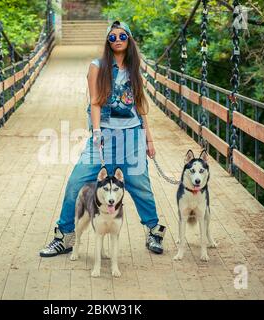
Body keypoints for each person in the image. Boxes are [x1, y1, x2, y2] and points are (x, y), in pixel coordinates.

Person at [39, 20, 166, 257]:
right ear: (107, 42)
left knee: (140, 186)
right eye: (112, 37)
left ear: (129, 39)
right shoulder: (97, 66)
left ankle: (153, 231)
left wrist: (149, 139)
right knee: (77, 182)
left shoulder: (134, 68)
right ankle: (65, 236)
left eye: (122, 36)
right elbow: (95, 102)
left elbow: (140, 105)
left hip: (133, 137)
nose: (117, 40)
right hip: (105, 136)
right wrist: (97, 132)